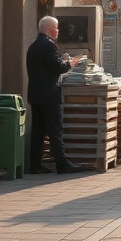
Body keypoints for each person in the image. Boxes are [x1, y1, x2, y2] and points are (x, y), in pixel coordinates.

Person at [26, 15, 84, 174]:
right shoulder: (48, 45)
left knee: (38, 130)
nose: (58, 31)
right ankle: (62, 164)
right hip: (49, 95)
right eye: (56, 28)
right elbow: (58, 67)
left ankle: (35, 165)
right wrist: (70, 63)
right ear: (48, 29)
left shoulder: (34, 46)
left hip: (36, 95)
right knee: (55, 129)